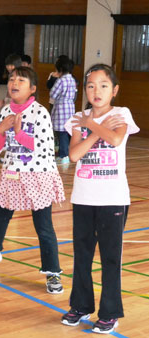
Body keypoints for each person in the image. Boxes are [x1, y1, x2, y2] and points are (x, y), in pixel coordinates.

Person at [0, 67, 65, 295]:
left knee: (43, 227)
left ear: (32, 88)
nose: (14, 82)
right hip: (12, 173)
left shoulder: (40, 112)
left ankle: (52, 272)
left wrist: (19, 132)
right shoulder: (4, 111)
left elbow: (44, 147)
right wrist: (1, 131)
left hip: (38, 175)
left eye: (21, 80)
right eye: (12, 78)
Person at [60, 64, 139, 334]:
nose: (97, 90)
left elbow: (116, 139)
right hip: (83, 197)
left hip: (113, 199)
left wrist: (91, 125)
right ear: (85, 89)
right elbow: (74, 154)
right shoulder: (77, 118)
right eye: (91, 85)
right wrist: (94, 128)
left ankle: (109, 313)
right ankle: (80, 305)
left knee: (110, 258)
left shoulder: (121, 113)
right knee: (82, 255)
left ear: (114, 90)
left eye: (103, 85)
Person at [50, 56, 77, 164]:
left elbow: (53, 94)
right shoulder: (72, 79)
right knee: (67, 131)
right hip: (70, 107)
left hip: (61, 107)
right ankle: (68, 152)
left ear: (60, 69)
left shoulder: (61, 80)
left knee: (61, 132)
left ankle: (63, 155)